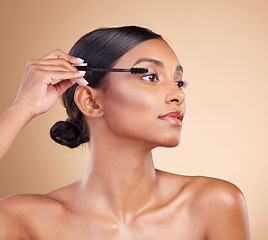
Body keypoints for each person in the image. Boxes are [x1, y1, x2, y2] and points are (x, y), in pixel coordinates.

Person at [0, 26, 249, 239]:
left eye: (178, 81)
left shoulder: (214, 204)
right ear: (91, 101)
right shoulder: (22, 219)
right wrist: (22, 109)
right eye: (150, 76)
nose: (179, 94)